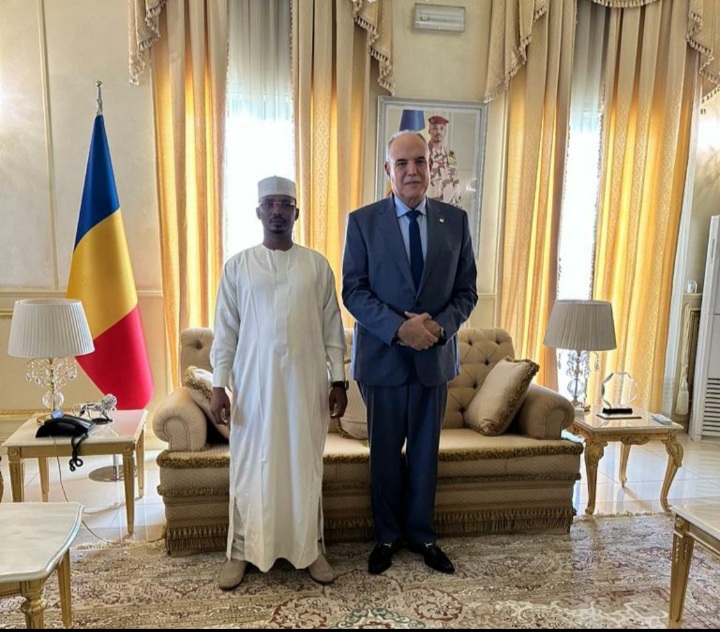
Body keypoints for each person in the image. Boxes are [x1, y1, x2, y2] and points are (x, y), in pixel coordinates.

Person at [342, 131, 477, 576]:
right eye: (402, 163)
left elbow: (466, 291)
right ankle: (386, 535)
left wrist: (438, 327)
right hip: (382, 361)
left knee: (424, 454)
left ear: (430, 166)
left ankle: (422, 535)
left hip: (433, 361)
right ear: (388, 170)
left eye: (419, 161)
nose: (412, 171)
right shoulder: (362, 222)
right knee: (383, 454)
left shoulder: (455, 222)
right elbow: (354, 291)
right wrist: (400, 329)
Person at [210, 175, 348, 590]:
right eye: (269, 204)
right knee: (251, 468)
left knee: (303, 467)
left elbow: (332, 329)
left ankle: (310, 549)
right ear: (258, 212)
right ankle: (241, 551)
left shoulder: (317, 266)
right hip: (254, 391)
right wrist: (218, 385)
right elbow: (225, 332)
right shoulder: (238, 267)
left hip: (305, 390)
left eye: (284, 204)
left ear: (296, 213)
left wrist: (339, 380)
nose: (276, 211)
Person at [426, 115, 462, 208]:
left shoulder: (450, 154)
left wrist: (457, 203)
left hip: (449, 204)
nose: (438, 132)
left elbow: (455, 179)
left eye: (441, 129)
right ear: (429, 131)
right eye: (435, 128)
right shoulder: (423, 153)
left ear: (445, 132)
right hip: (430, 204)